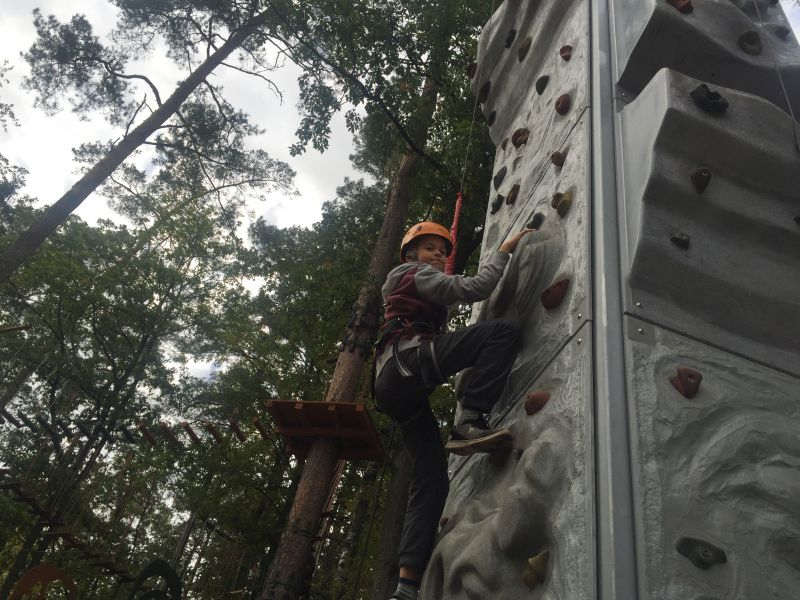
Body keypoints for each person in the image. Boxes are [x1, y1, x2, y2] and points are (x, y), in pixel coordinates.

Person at [374, 221, 533, 600]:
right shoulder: (415, 274)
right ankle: (469, 420)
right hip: (408, 363)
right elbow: (475, 288)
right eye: (430, 248)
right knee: (503, 333)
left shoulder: (410, 285)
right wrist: (504, 251)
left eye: (443, 251)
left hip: (396, 387)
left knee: (431, 476)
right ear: (411, 254)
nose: (439, 255)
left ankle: (406, 585)